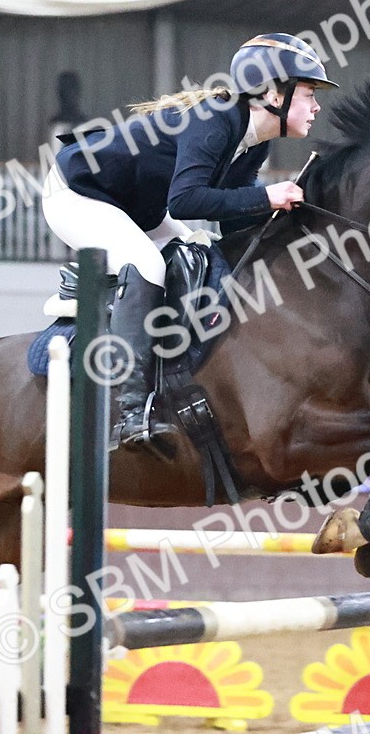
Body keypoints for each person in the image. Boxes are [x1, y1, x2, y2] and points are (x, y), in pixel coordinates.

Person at [43, 33, 336, 454]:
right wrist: (267, 197)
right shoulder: (215, 120)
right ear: (273, 93)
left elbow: (226, 217)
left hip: (135, 206)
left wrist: (291, 218)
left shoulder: (255, 142)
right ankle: (129, 415)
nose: (316, 106)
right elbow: (184, 202)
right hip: (78, 193)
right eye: (309, 93)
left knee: (202, 253)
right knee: (149, 265)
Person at [46, 70, 88, 155]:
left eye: (72, 90)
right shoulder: (56, 126)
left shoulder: (83, 124)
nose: (69, 95)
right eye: (64, 91)